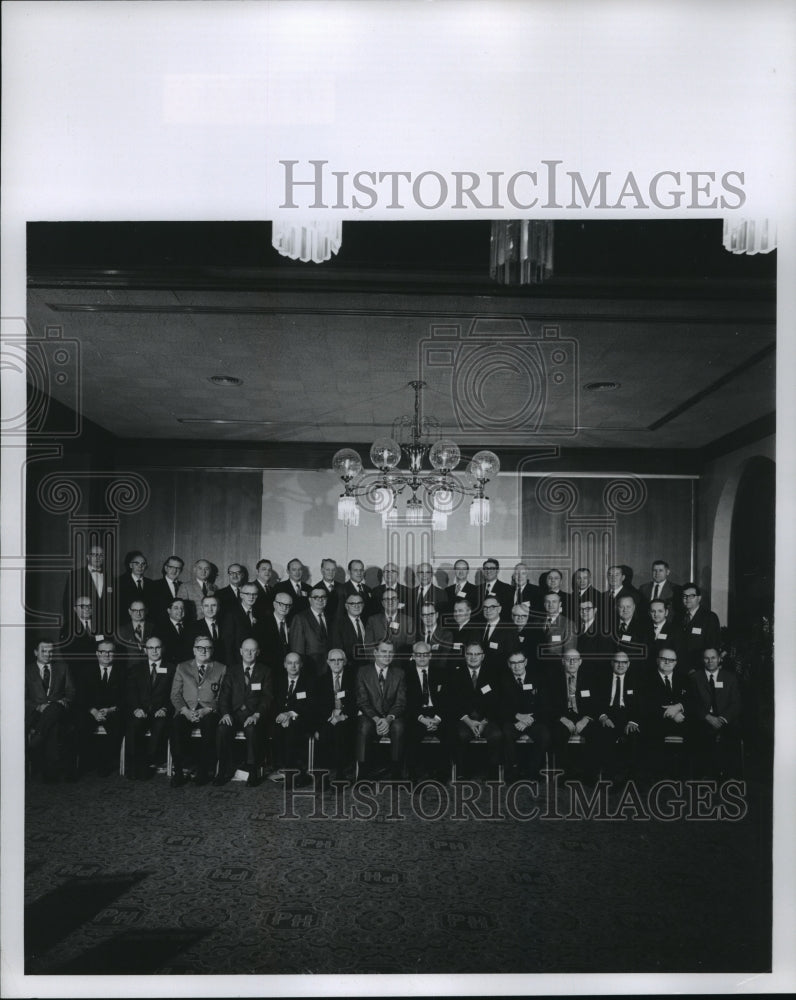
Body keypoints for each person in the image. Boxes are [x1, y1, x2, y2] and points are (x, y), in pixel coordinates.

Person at [215, 637, 273, 786]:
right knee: (222, 729)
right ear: (241, 651)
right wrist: (226, 713)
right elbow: (224, 696)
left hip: (253, 715)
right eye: (246, 649)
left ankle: (252, 771)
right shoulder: (231, 670)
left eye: (253, 650)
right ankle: (222, 770)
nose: (249, 653)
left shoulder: (265, 671)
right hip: (233, 714)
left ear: (258, 652)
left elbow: (267, 698)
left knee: (252, 730)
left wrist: (256, 715)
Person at [169, 637, 226, 787]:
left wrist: (207, 710)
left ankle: (203, 771)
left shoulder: (221, 668)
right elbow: (175, 694)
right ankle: (179, 772)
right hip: (186, 710)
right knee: (176, 727)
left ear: (212, 650)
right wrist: (185, 711)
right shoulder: (182, 667)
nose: (204, 651)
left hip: (209, 711)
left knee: (209, 726)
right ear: (194, 650)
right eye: (200, 648)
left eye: (208, 648)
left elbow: (222, 695)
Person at [447, 642, 502, 779]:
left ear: (482, 656)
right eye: (470, 654)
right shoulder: (455, 673)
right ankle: (461, 772)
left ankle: (493, 773)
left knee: (496, 735)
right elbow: (452, 702)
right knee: (460, 735)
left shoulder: (493, 673)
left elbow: (497, 701)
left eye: (477, 654)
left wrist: (484, 722)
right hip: (465, 719)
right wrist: (468, 721)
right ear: (465, 655)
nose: (473, 657)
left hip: (487, 718)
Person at [124, 637, 175, 779]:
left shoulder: (172, 669)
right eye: (151, 648)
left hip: (161, 712)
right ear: (145, 650)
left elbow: (175, 693)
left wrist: (165, 708)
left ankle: (148, 762)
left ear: (162, 649)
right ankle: (135, 764)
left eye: (157, 647)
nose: (154, 651)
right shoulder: (135, 668)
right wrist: (136, 708)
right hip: (141, 711)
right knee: (134, 726)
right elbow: (130, 692)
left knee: (160, 726)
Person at [26, 639, 76, 783]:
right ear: (36, 652)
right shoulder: (27, 671)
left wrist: (64, 701)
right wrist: (39, 706)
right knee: (53, 727)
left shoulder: (62, 667)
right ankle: (51, 772)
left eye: (50, 651)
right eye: (43, 651)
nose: (47, 655)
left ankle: (37, 739)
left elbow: (71, 692)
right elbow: (21, 698)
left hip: (58, 709)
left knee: (55, 709)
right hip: (37, 714)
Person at [688, 648, 742, 778]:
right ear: (703, 660)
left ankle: (727, 776)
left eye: (713, 657)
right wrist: (707, 717)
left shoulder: (730, 677)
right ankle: (704, 776)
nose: (710, 661)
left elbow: (736, 703)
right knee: (700, 738)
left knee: (731, 738)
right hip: (703, 720)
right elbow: (691, 702)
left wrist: (722, 719)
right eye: (707, 658)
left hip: (725, 720)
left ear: (719, 659)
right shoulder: (694, 678)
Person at [356, 640, 407, 779]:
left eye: (390, 652)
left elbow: (400, 702)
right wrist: (378, 720)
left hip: (391, 716)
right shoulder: (363, 672)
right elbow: (362, 701)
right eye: (384, 651)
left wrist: (388, 719)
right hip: (370, 716)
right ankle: (362, 774)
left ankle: (396, 773)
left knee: (399, 727)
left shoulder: (400, 673)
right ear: (375, 653)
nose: (387, 655)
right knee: (364, 728)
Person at [545, 649, 598, 779]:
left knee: (596, 733)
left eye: (575, 659)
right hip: (562, 716)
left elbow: (597, 702)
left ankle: (589, 774)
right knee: (558, 734)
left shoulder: (590, 678)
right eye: (569, 659)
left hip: (583, 715)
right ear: (563, 661)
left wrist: (586, 719)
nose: (572, 662)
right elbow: (547, 704)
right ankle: (563, 774)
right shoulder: (552, 679)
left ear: (580, 662)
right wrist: (562, 718)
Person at [592, 650, 644, 783]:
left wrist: (633, 721)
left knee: (634, 736)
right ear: (612, 663)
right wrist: (603, 717)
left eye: (624, 662)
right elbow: (594, 701)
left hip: (628, 714)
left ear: (628, 664)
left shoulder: (637, 679)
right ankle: (609, 775)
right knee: (603, 734)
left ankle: (630, 776)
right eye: (617, 662)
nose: (620, 665)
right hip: (608, 713)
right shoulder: (600, 677)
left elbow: (641, 703)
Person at [76, 640, 126, 778]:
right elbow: (80, 697)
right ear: (97, 654)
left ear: (114, 654)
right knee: (80, 725)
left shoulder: (123, 672)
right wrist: (93, 711)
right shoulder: (86, 671)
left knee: (117, 725)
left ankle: (106, 763)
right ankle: (84, 763)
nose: (106, 654)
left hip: (112, 711)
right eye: (103, 652)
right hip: (91, 711)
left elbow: (126, 697)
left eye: (110, 651)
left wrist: (110, 710)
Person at [498, 651, 550, 780]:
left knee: (544, 734)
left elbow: (545, 705)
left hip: (534, 720)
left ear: (525, 662)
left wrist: (529, 720)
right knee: (506, 733)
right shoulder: (502, 680)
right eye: (513, 663)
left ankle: (533, 771)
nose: (517, 666)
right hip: (513, 721)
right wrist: (517, 716)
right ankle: (513, 771)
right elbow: (499, 707)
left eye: (520, 662)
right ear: (508, 664)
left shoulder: (538, 678)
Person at [404, 641, 449, 781]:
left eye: (425, 655)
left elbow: (447, 699)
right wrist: (422, 719)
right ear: (413, 656)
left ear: (430, 656)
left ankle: (442, 773)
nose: (422, 658)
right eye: (418, 655)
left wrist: (437, 718)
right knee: (410, 735)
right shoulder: (406, 674)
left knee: (450, 733)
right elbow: (407, 702)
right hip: (417, 715)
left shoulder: (441, 672)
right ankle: (412, 775)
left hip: (437, 714)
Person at [642, 646, 690, 777]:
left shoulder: (685, 679)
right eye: (664, 659)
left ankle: (689, 773)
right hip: (656, 719)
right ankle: (656, 774)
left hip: (682, 719)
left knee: (698, 731)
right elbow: (645, 703)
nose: (667, 662)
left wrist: (679, 706)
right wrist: (671, 713)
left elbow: (692, 700)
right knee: (650, 734)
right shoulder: (645, 678)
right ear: (657, 660)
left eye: (671, 660)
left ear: (675, 662)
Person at [312, 648, 358, 780]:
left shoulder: (353, 679)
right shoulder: (320, 681)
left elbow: (357, 702)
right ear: (328, 662)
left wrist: (342, 716)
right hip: (327, 718)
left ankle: (339, 774)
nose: (336, 663)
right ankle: (324, 774)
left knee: (339, 729)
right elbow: (317, 706)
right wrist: (330, 717)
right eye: (333, 660)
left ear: (345, 662)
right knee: (325, 729)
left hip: (347, 718)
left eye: (340, 660)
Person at [269, 651, 313, 786]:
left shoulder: (309, 682)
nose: (293, 666)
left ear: (301, 665)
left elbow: (310, 706)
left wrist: (290, 714)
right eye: (289, 663)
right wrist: (281, 717)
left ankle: (292, 771)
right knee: (279, 730)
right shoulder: (277, 681)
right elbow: (272, 703)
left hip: (302, 719)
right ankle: (288, 769)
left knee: (292, 730)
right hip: (280, 719)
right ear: (284, 665)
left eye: (296, 663)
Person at [63, 544, 114, 635]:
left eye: (100, 555)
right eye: (94, 554)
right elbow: (68, 602)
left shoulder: (110, 577)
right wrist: (72, 625)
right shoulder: (76, 575)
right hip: (81, 626)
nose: (97, 557)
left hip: (104, 627)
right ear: (87, 557)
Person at [673, 583, 721, 672]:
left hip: (699, 669)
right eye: (684, 596)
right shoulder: (677, 617)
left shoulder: (710, 617)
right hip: (678, 668)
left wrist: (699, 667)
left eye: (692, 596)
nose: (687, 599)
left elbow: (712, 645)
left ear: (699, 598)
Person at [289, 585, 333, 677]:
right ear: (309, 600)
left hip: (330, 670)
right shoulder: (300, 618)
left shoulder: (331, 617)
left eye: (323, 597)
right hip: (310, 670)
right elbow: (297, 650)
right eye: (316, 597)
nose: (320, 600)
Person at [364, 588, 415, 658]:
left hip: (400, 665)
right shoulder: (373, 620)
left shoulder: (408, 621)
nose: (390, 602)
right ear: (382, 603)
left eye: (393, 599)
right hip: (378, 664)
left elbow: (409, 648)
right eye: (387, 599)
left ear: (397, 601)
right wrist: (378, 662)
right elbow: (368, 646)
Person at [330, 591, 371, 671]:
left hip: (369, 667)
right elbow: (338, 650)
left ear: (363, 605)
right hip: (349, 669)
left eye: (359, 603)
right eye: (352, 603)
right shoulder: (338, 624)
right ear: (346, 606)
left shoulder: (368, 621)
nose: (356, 606)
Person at [613, 595, 654, 662]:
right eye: (621, 607)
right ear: (616, 607)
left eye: (628, 607)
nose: (625, 610)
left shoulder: (645, 627)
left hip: (635, 666)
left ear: (634, 607)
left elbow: (646, 652)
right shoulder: (608, 625)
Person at [116, 550, 155, 620]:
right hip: (125, 623)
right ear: (131, 565)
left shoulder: (151, 584)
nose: (140, 566)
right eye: (137, 563)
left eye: (143, 564)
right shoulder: (119, 582)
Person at [260, 590, 294, 671]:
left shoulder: (293, 622)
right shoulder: (262, 624)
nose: (284, 607)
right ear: (274, 604)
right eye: (281, 604)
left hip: (289, 669)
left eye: (288, 605)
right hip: (270, 669)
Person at [416, 603, 454, 672]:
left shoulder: (446, 634)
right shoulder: (418, 634)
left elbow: (443, 661)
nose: (428, 617)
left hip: (438, 673)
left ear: (437, 615)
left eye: (431, 614)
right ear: (421, 617)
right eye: (425, 615)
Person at [159, 598, 194, 665]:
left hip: (188, 666)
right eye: (176, 608)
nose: (180, 610)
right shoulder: (160, 628)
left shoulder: (192, 627)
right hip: (170, 667)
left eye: (182, 608)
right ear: (169, 611)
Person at [316, 557, 345, 623]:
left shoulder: (343, 587)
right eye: (327, 569)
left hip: (341, 626)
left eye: (333, 570)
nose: (330, 572)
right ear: (322, 571)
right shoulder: (315, 589)